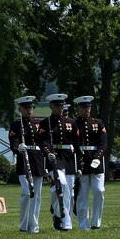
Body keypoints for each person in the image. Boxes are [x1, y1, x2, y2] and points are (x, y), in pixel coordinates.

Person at [40, 93, 76, 231]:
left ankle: (56, 212)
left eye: (61, 105)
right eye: (57, 105)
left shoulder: (71, 123)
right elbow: (43, 140)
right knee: (62, 184)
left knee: (67, 191)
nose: (60, 108)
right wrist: (48, 152)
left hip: (68, 159)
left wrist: (79, 162)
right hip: (55, 158)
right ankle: (66, 222)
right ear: (51, 106)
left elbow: (77, 144)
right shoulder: (46, 123)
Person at [9, 96, 44, 233]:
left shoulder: (39, 123)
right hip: (24, 160)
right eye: (26, 108)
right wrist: (18, 147)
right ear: (20, 109)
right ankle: (23, 225)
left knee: (37, 195)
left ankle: (34, 225)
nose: (29, 110)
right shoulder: (17, 125)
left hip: (37, 159)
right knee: (26, 192)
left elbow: (44, 142)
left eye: (31, 107)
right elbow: (13, 141)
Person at [72, 95, 107, 230]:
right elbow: (74, 144)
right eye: (83, 107)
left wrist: (98, 157)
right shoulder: (75, 124)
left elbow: (103, 143)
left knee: (99, 191)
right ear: (78, 108)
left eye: (88, 107)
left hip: (97, 161)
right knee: (82, 195)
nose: (86, 109)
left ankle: (96, 222)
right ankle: (83, 224)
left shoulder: (98, 123)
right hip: (82, 161)